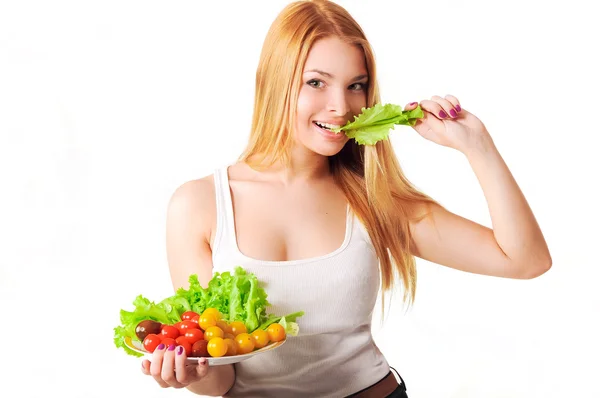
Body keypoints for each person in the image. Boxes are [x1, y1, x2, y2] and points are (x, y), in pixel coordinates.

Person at [140, 0, 552, 396]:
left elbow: (525, 260)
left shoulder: (374, 198)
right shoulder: (199, 206)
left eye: (356, 86)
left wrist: (478, 147)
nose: (341, 107)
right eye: (316, 82)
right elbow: (222, 382)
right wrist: (190, 374)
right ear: (275, 82)